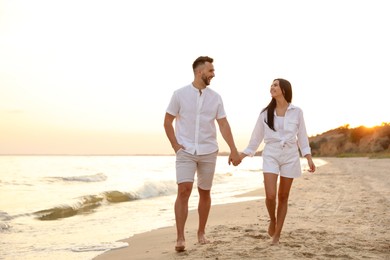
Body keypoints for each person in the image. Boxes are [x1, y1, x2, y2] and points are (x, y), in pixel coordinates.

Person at [164, 56, 241, 252]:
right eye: (211, 71)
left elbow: (223, 124)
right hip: (186, 151)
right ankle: (180, 237)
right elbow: (167, 121)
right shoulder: (179, 94)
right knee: (184, 190)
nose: (213, 74)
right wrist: (176, 145)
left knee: (205, 192)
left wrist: (233, 149)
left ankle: (201, 232)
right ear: (200, 72)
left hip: (208, 151)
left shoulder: (215, 97)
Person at [239, 78, 316, 245]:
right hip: (271, 154)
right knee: (271, 195)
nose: (272, 87)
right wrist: (243, 154)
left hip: (290, 155)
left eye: (275, 85)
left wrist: (308, 157)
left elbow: (302, 136)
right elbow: (256, 138)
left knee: (283, 196)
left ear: (284, 89)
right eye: (271, 85)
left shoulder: (297, 112)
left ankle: (277, 235)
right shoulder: (265, 113)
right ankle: (272, 219)